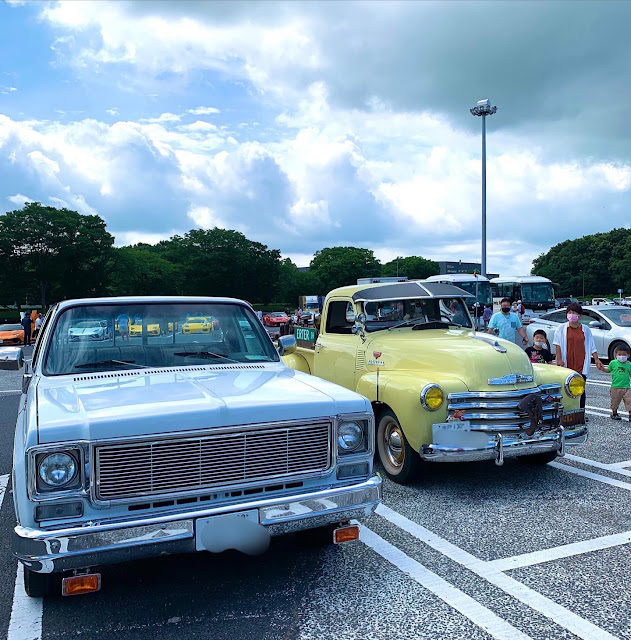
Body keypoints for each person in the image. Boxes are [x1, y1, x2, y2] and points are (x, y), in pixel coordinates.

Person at [553, 302, 605, 413]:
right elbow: (557, 344)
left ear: (580, 315)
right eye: (570, 312)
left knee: (580, 389)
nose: (572, 315)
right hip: (566, 364)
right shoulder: (561, 329)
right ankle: (566, 411)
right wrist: (559, 360)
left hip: (581, 363)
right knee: (565, 388)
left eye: (574, 313)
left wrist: (596, 359)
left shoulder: (585, 329)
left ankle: (580, 412)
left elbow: (592, 346)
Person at [607, 345, 631, 420]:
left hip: (627, 387)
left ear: (628, 355)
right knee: (615, 401)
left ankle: (630, 415)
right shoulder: (613, 363)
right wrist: (601, 368)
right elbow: (608, 370)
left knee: (629, 401)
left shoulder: (629, 364)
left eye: (624, 354)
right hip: (615, 387)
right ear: (616, 354)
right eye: (619, 354)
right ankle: (614, 413)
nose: (621, 356)